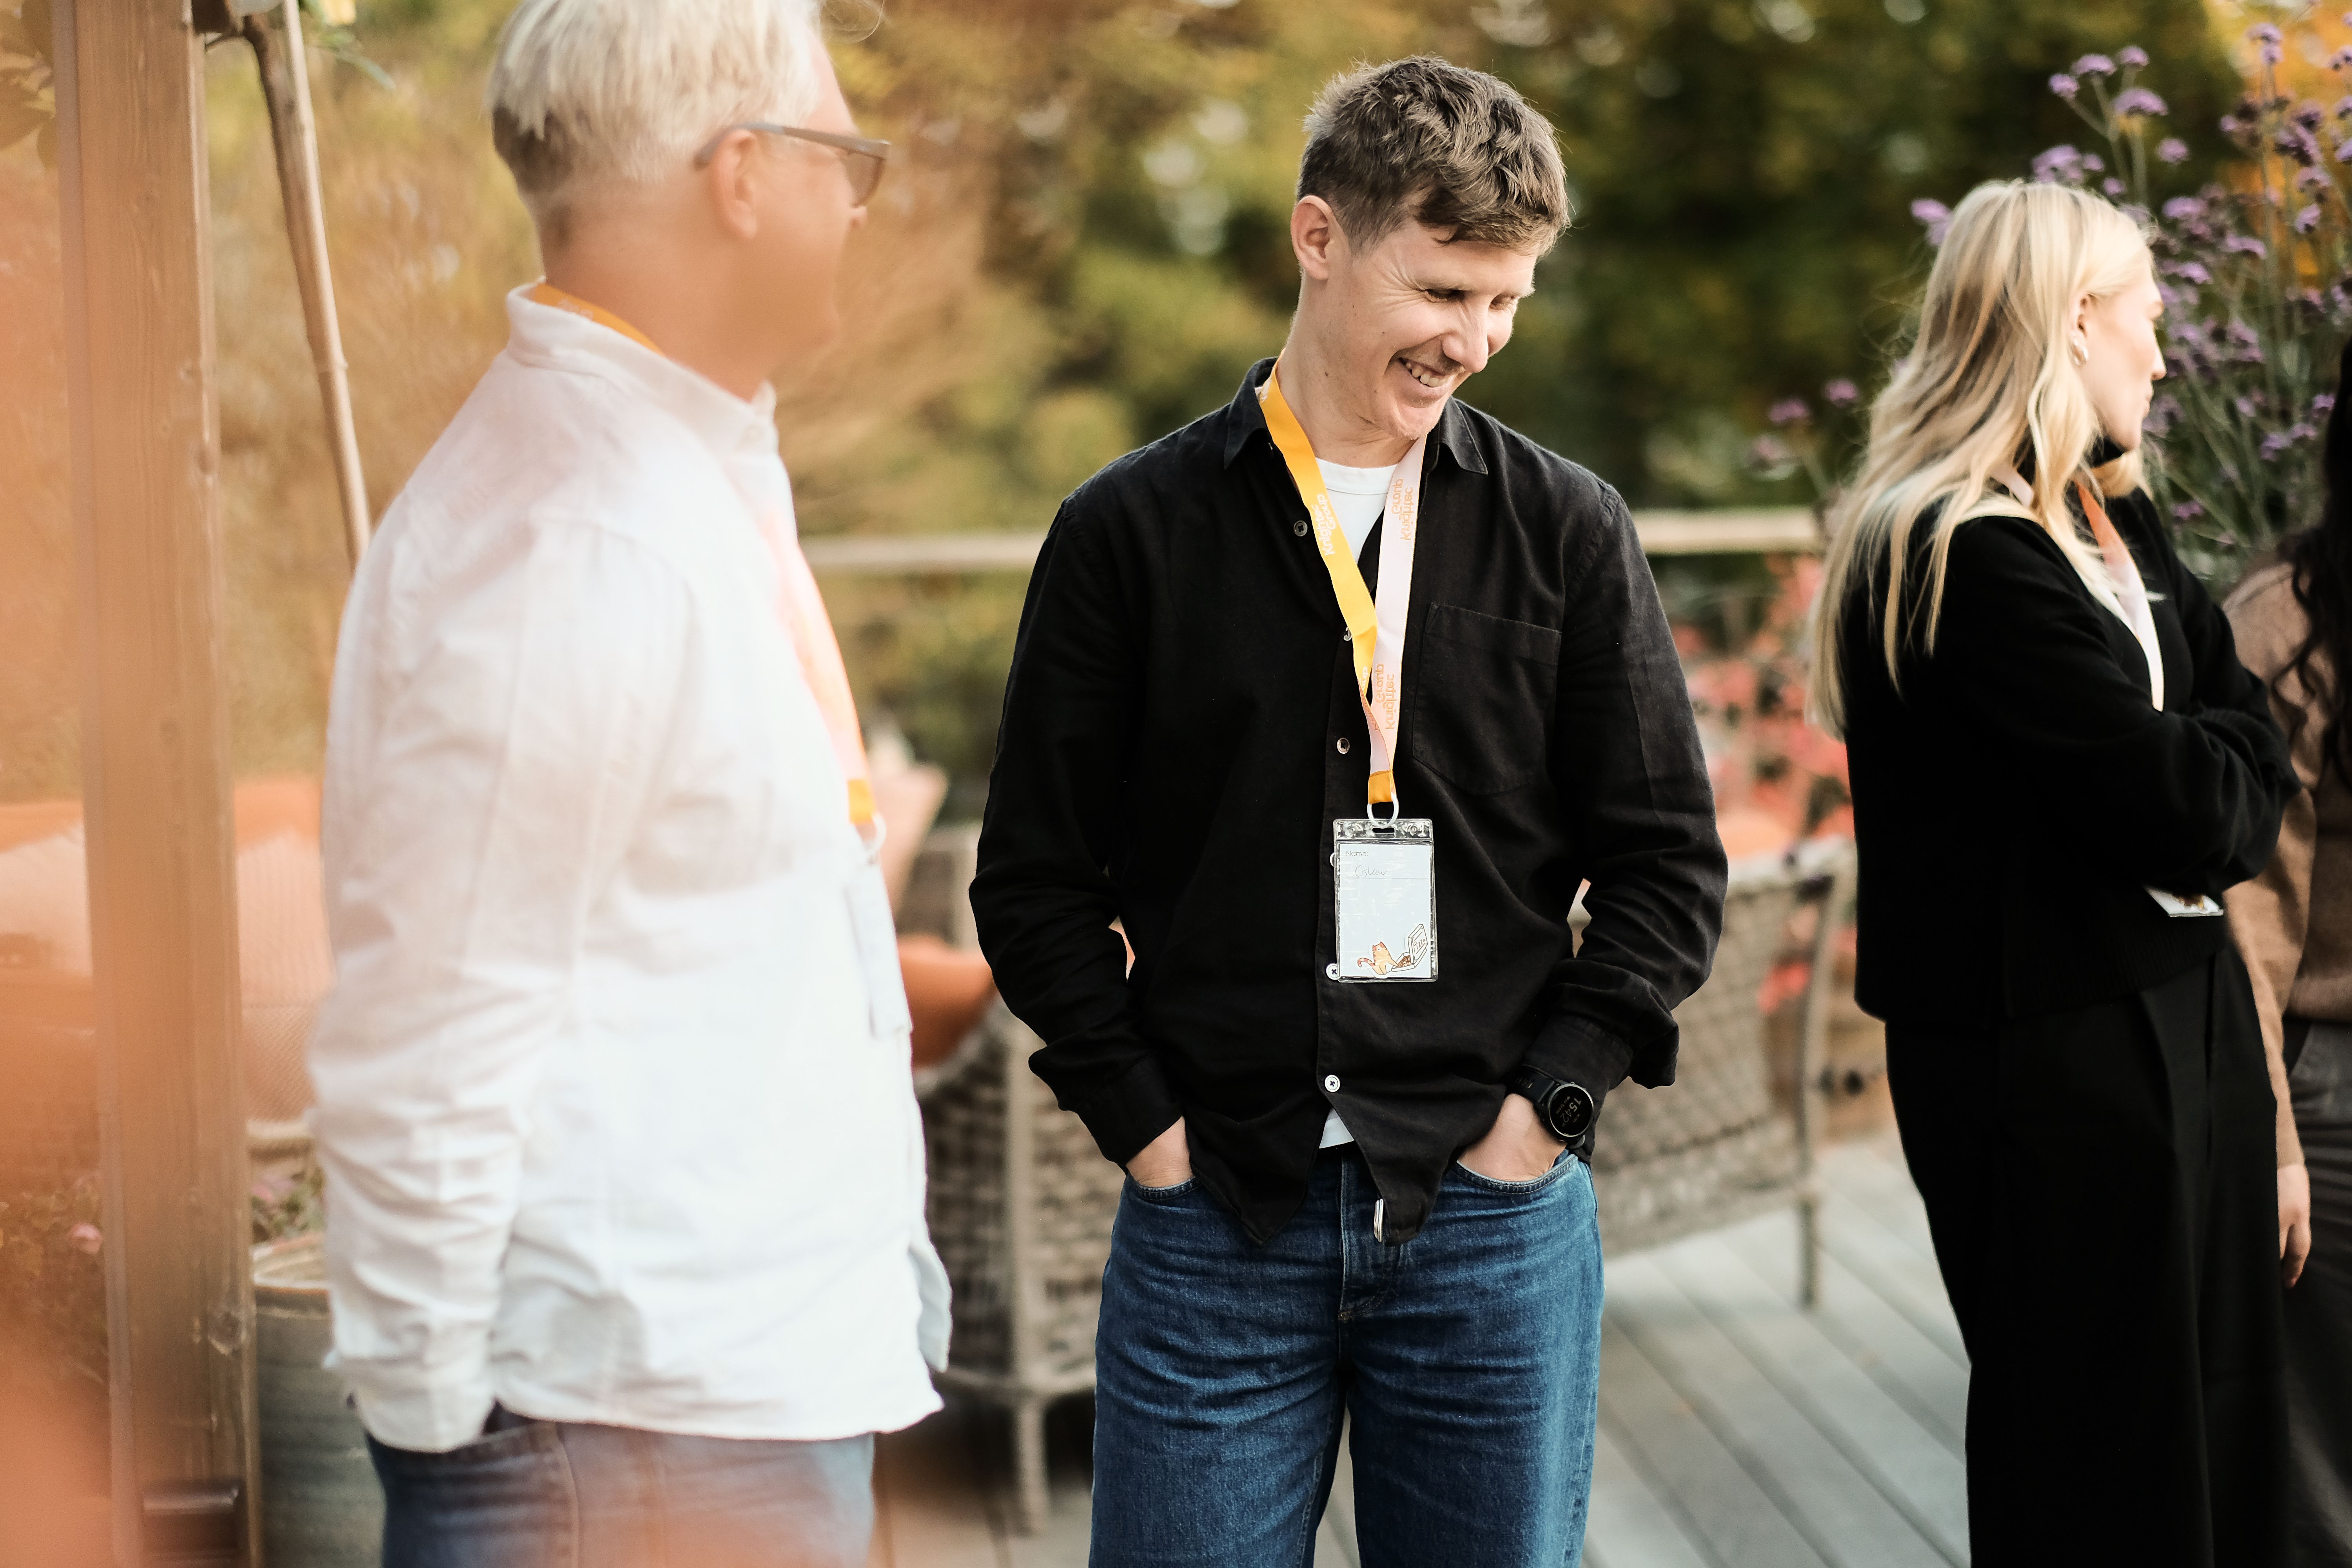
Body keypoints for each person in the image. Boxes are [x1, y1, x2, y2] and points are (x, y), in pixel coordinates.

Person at [972, 56, 1726, 1568]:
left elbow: (1664, 870)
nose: (1477, 340)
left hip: (1493, 1231)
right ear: (1318, 238)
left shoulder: (1569, 531)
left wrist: (1547, 1119)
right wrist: (1148, 1133)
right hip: (1211, 1231)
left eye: (1507, 302)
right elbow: (1033, 881)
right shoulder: (1125, 533)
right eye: (1445, 290)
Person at [306, 3, 946, 1564]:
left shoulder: (684, 468)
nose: (859, 204)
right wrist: (451, 1436)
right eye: (843, 160)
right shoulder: (580, 537)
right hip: (620, 1446)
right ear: (745, 177)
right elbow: (435, 1017)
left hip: (713, 1407)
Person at [1809, 180, 2296, 1567]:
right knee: (2101, 1454)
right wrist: (2212, 762)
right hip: (2049, 1063)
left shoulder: (2105, 518)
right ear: (2076, 320)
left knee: (2214, 1428)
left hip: (2176, 1023)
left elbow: (2243, 755)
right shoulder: (1957, 551)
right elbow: (2193, 809)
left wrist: (2211, 762)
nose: (2163, 352)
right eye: (2149, 318)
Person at [2225, 336, 2352, 1568]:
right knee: (2322, 1493)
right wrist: (2269, 1140)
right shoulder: (2286, 627)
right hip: (2329, 1095)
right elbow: (2243, 925)